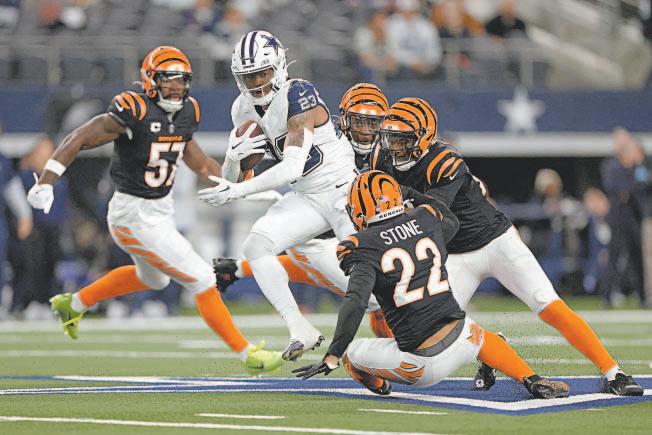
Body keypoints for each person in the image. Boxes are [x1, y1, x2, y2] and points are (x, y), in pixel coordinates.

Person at [26, 45, 282, 374]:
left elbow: (201, 163)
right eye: (168, 79)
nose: (176, 87)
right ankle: (248, 354)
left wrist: (243, 187)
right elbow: (78, 138)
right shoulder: (134, 109)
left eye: (181, 80)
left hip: (160, 211)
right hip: (132, 212)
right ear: (150, 80)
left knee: (154, 279)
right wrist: (46, 181)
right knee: (203, 279)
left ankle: (73, 304)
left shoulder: (187, 111)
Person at [369, 97, 643, 396]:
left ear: (423, 138)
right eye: (390, 137)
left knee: (548, 304)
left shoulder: (444, 160)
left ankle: (614, 373)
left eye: (402, 139)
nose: (394, 146)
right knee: (432, 331)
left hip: (496, 241)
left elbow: (433, 213)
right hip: (456, 255)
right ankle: (493, 348)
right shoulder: (383, 160)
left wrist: (395, 194)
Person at [292, 170, 569, 400]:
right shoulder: (424, 218)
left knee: (352, 355)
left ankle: (382, 386)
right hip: (462, 339)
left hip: (421, 364)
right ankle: (531, 379)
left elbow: (356, 301)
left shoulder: (360, 244)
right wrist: (412, 194)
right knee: (475, 332)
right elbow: (451, 221)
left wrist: (333, 355)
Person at [198, 31, 361, 361]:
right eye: (249, 76)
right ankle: (299, 328)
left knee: (368, 282)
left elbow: (291, 167)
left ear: (279, 66)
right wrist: (231, 159)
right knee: (256, 245)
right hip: (307, 196)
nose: (257, 82)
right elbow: (234, 181)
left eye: (263, 73)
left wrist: (237, 189)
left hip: (343, 190)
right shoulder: (242, 109)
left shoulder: (298, 92)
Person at [213, 83, 394, 338]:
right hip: (317, 232)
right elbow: (265, 171)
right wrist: (236, 165)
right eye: (359, 122)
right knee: (369, 292)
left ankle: (236, 268)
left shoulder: (390, 152)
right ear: (344, 119)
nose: (365, 131)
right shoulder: (321, 134)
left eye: (372, 123)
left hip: (348, 228)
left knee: (379, 285)